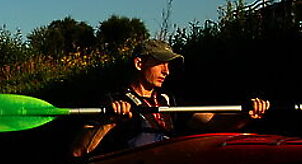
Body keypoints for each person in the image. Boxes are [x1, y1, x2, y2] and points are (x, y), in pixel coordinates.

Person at [70, 39, 270, 158]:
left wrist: (245, 116)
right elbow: (79, 151)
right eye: (160, 64)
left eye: (169, 66)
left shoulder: (169, 101)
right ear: (139, 63)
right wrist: (109, 122)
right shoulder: (113, 100)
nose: (166, 71)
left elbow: (214, 122)